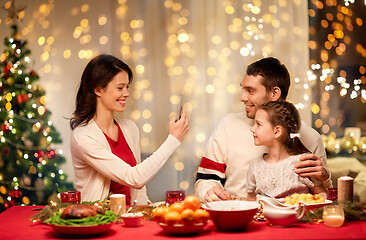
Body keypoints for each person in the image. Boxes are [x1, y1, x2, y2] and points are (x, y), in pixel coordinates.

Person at [195, 57, 331, 202]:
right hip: (240, 215)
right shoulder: (228, 125)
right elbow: (204, 179)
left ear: (274, 93)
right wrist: (209, 192)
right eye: (243, 89)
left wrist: (323, 177)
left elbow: (325, 196)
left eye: (250, 91)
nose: (242, 97)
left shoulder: (310, 137)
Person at [70, 54, 189, 204]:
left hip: (131, 216)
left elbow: (139, 187)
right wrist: (173, 140)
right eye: (120, 88)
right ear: (99, 90)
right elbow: (134, 178)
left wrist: (144, 210)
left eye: (127, 87)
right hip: (99, 218)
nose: (126, 93)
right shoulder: (83, 137)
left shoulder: (129, 128)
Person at [246, 101, 326, 200]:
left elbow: (321, 195)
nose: (252, 129)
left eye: (258, 124)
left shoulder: (301, 164)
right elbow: (251, 201)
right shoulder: (255, 166)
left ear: (277, 131)